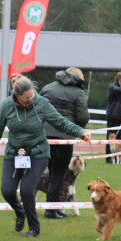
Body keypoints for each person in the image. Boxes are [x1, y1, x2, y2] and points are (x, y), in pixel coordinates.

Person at [0, 75, 91, 238]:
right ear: (17, 95)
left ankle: (34, 228)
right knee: (8, 191)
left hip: (38, 153)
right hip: (15, 153)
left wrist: (80, 132)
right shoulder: (6, 106)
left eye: (32, 95)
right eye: (27, 98)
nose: (31, 99)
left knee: (27, 189)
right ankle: (20, 213)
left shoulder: (41, 103)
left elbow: (61, 122)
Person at [40, 67, 90, 219]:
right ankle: (51, 209)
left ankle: (41, 207)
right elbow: (83, 117)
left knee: (43, 172)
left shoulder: (47, 88)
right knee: (58, 174)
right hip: (64, 137)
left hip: (43, 136)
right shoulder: (78, 92)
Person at [105, 71, 121, 163]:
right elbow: (118, 91)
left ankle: (118, 158)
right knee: (111, 137)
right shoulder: (113, 86)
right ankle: (108, 158)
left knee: (119, 138)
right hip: (113, 115)